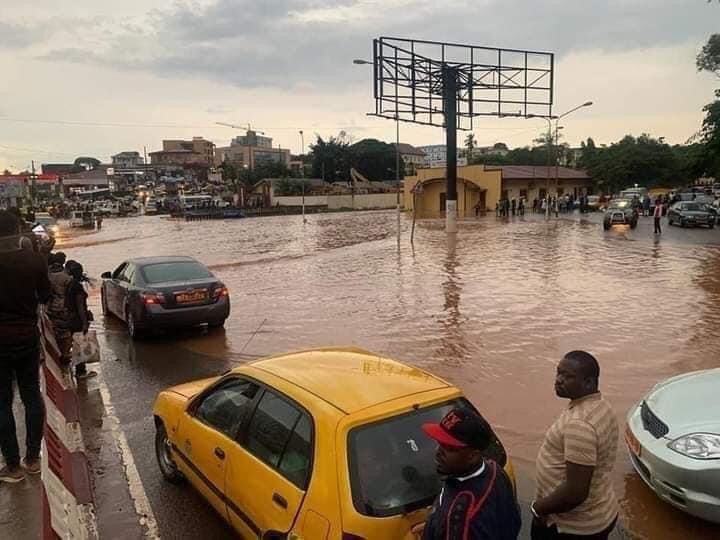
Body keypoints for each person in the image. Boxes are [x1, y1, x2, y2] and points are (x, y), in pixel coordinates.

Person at [531, 351, 619, 540]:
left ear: (589, 382)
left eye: (568, 376)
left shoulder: (580, 424)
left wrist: (538, 509)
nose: (558, 380)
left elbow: (575, 493)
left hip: (574, 527)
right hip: (599, 510)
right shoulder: (601, 406)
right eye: (558, 373)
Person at [0, 210, 50, 482]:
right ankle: (32, 459)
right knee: (31, 395)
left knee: (2, 402)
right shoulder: (33, 259)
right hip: (26, 336)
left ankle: (12, 465)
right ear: (18, 229)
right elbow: (45, 294)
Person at [421, 408, 521, 540]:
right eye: (440, 443)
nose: (438, 452)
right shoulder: (494, 469)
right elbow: (514, 520)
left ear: (473, 455)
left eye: (450, 448)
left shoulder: (462, 520)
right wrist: (434, 524)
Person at [64, 260, 96, 379]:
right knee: (80, 344)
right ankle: (81, 372)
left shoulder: (70, 284)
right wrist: (84, 323)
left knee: (77, 344)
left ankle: (78, 370)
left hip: (70, 318)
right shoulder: (77, 287)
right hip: (77, 319)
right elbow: (80, 307)